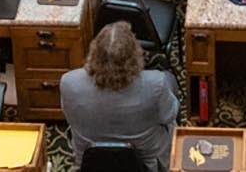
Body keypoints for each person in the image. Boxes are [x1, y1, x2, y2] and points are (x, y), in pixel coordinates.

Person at [60, 22, 179, 172]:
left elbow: (69, 116)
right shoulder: (156, 83)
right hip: (147, 165)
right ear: (135, 54)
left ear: (93, 51)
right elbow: (170, 115)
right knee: (170, 81)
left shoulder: (69, 82)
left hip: (91, 162)